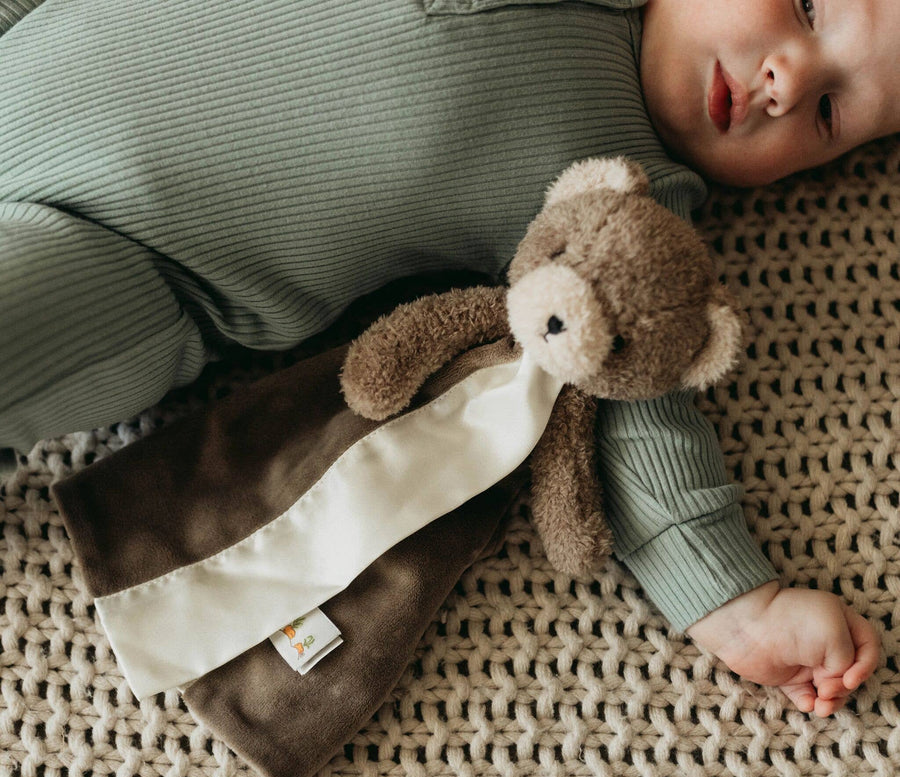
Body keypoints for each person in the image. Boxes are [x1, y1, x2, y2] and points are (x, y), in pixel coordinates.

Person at [0, 0, 892, 715]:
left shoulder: (624, 208)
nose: (787, 78)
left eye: (826, 113)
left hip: (126, 255)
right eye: (809, 8)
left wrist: (739, 605)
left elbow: (636, 403)